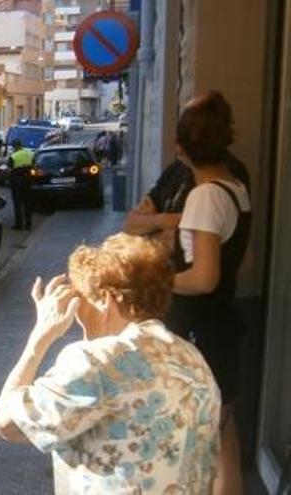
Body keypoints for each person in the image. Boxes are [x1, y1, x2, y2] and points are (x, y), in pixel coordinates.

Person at [0, 233, 221, 494]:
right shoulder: (192, 358)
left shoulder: (97, 362)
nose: (78, 313)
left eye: (83, 299)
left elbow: (5, 423)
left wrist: (40, 337)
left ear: (108, 301)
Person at [166, 91, 251, 495]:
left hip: (200, 330)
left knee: (201, 442)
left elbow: (202, 279)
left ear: (181, 149)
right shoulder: (236, 188)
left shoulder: (204, 196)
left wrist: (156, 281)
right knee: (224, 436)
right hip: (222, 326)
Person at [8, 139, 34, 230]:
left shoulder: (13, 156)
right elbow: (34, 164)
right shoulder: (30, 153)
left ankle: (19, 225)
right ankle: (28, 224)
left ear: (15, 147)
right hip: (28, 180)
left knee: (17, 204)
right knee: (28, 203)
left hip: (17, 181)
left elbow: (9, 169)